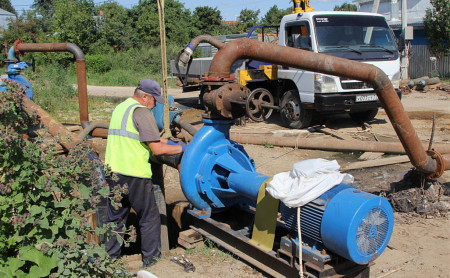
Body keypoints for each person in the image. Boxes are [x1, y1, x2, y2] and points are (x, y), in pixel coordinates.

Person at [104, 79, 185, 267]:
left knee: (115, 218)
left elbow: (148, 139)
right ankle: (152, 261)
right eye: (154, 99)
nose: (155, 104)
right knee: (149, 217)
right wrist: (183, 150)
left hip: (114, 172)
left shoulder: (122, 107)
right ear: (144, 96)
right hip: (134, 174)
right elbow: (156, 148)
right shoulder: (142, 112)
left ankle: (109, 260)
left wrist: (173, 144)